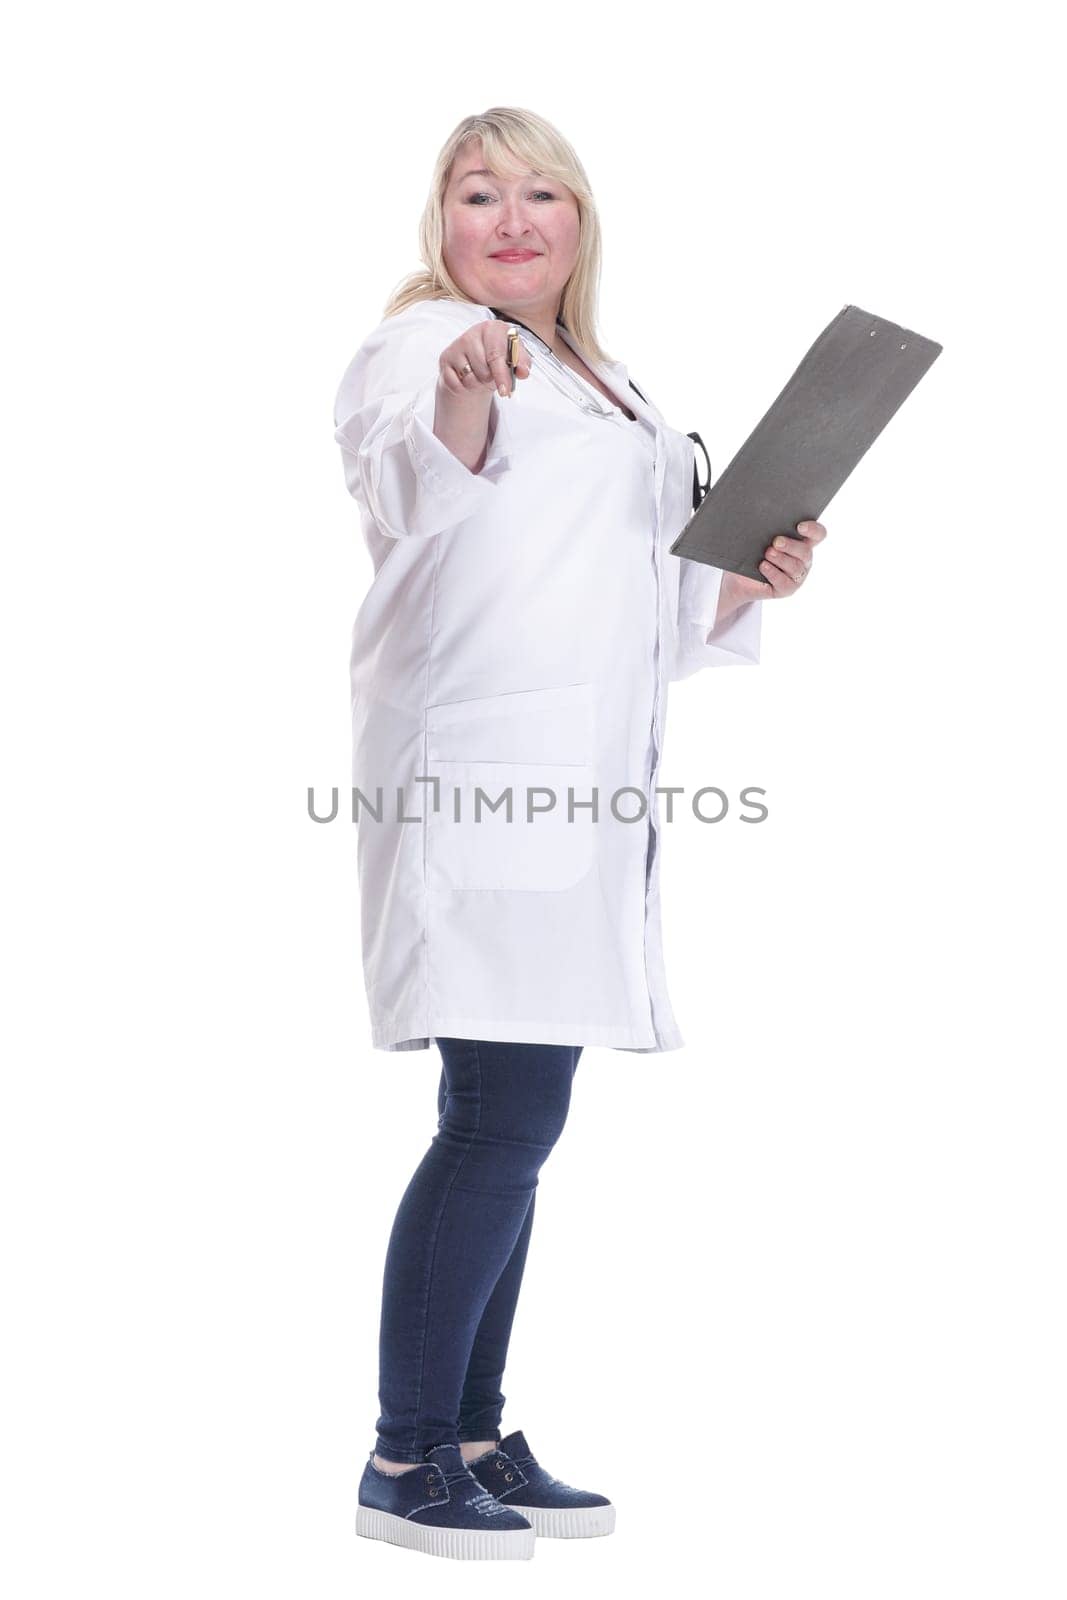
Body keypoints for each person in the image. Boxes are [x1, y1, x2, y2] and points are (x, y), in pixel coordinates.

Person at [332, 107, 827, 1562]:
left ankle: (470, 1432)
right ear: (443, 227)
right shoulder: (424, 348)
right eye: (477, 193)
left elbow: (650, 618)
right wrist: (468, 392)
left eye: (541, 191)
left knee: (518, 1124)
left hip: (585, 792)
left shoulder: (614, 388)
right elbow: (405, 486)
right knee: (497, 1121)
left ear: (579, 221)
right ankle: (404, 1453)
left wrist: (754, 580)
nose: (512, 216)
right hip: (481, 784)